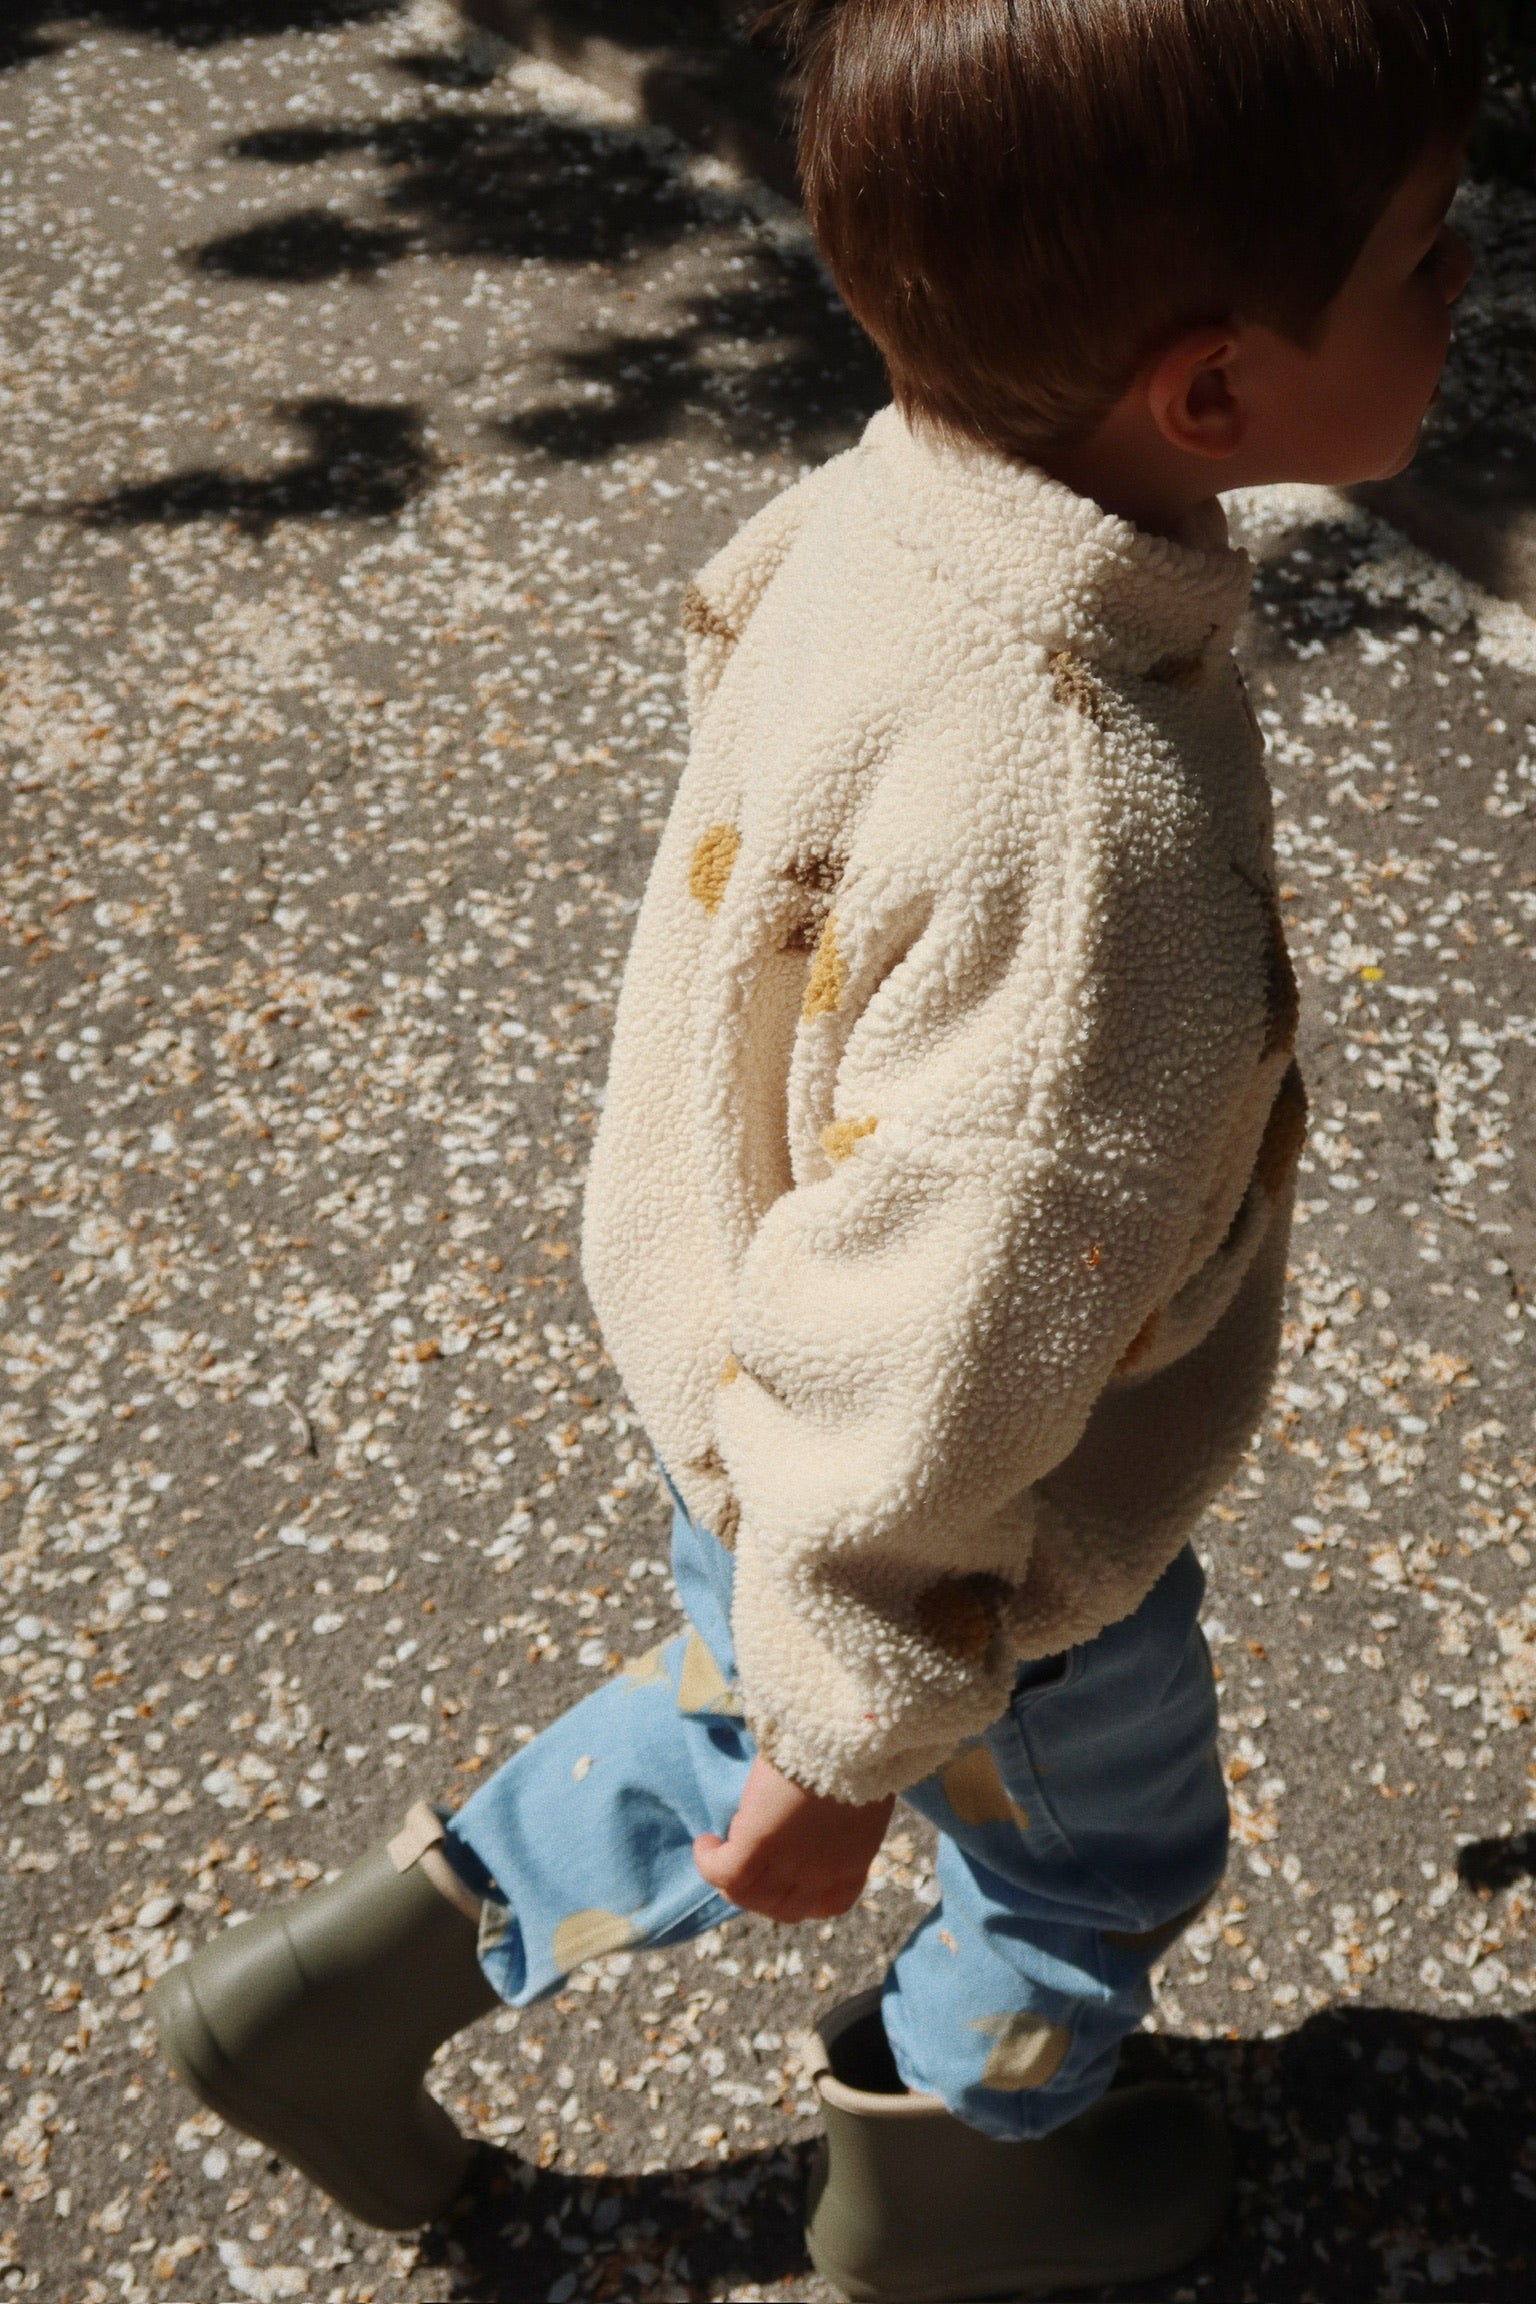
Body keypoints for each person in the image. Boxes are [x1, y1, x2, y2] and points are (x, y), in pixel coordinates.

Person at [149, 0, 1481, 2292]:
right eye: (1433, 258)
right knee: (1087, 1858)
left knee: (720, 1703)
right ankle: (960, 2181)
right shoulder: (1100, 855)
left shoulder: (893, 499)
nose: (1473, 288)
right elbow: (964, 1315)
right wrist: (867, 1716)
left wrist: (811, 1670)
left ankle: (340, 1994)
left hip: (757, 1403)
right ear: (1212, 395)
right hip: (966, 1541)